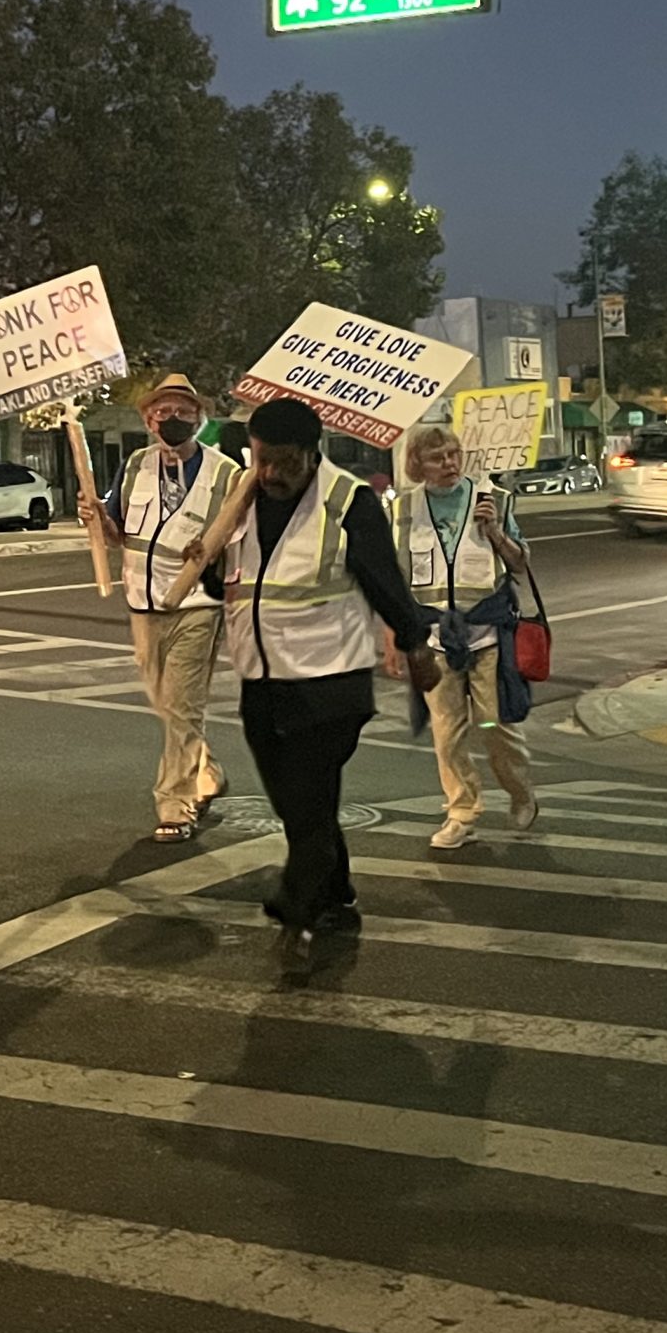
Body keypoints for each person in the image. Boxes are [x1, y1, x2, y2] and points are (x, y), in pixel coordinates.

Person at [205, 396, 434, 961]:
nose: (272, 474)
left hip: (330, 683)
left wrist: (414, 644)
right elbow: (226, 585)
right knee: (296, 804)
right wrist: (207, 560)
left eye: (285, 462)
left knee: (307, 801)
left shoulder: (347, 501)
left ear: (313, 455)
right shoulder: (241, 498)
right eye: (262, 460)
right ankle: (336, 890)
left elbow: (385, 581)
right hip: (261, 679)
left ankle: (296, 913)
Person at [81, 374, 242, 841]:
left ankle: (176, 804)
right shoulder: (134, 466)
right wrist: (99, 520)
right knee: (164, 703)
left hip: (196, 602)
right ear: (149, 419)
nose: (171, 419)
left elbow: (240, 536)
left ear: (199, 417)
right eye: (162, 411)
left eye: (182, 411)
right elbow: (119, 531)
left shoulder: (225, 473)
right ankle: (206, 770)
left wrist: (213, 551)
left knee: (181, 705)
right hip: (143, 601)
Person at [390, 427, 540, 851]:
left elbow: (520, 562)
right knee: (448, 733)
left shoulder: (493, 500)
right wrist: (395, 638)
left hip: (488, 635)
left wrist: (494, 532)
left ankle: (520, 789)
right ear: (418, 463)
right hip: (437, 639)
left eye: (454, 454)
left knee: (494, 726)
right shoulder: (403, 510)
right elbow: (395, 580)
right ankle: (461, 810)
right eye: (438, 458)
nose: (450, 464)